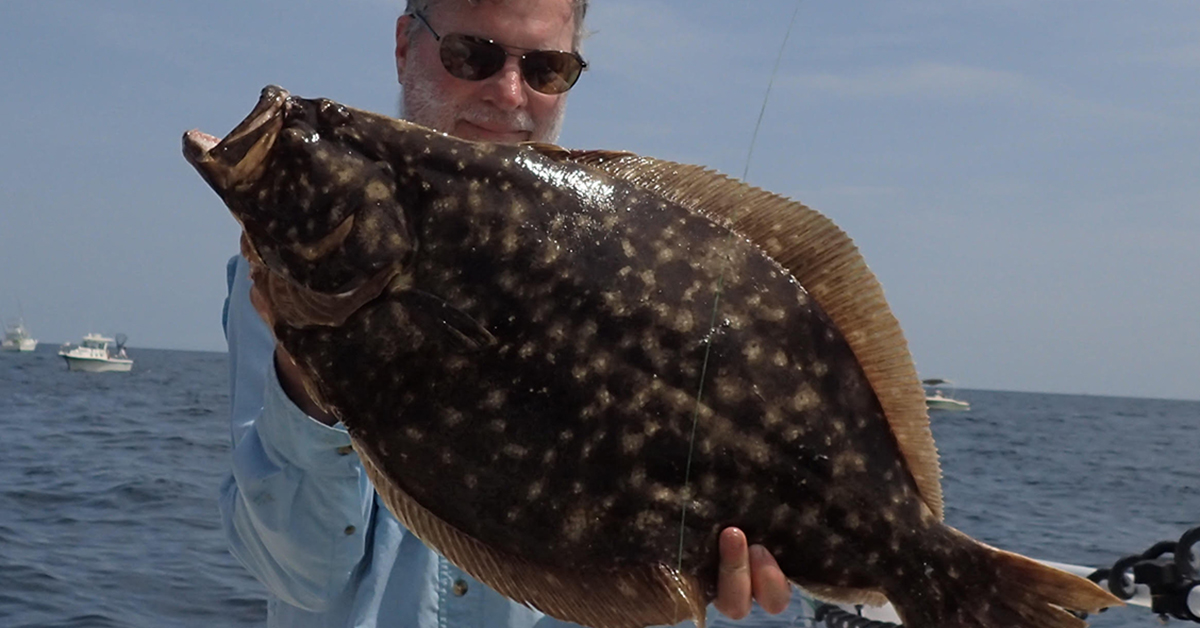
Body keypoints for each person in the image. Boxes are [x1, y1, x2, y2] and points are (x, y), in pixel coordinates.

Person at [219, 0, 795, 626]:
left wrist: (700, 572)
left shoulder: (636, 267)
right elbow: (297, 572)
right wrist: (307, 376)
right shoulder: (282, 280)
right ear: (404, 47)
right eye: (472, 56)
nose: (509, 93)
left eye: (547, 68)